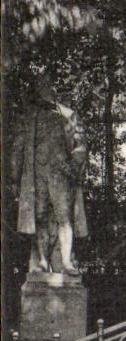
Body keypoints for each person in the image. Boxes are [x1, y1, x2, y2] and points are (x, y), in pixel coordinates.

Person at [10, 78, 88, 275]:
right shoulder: (29, 118)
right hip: (37, 176)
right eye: (41, 87)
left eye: (48, 87)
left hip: (61, 174)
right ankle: (43, 261)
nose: (45, 91)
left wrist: (73, 166)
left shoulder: (68, 115)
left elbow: (80, 146)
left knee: (65, 217)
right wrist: (15, 176)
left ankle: (66, 261)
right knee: (40, 217)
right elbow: (18, 148)